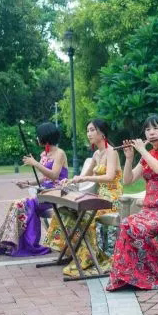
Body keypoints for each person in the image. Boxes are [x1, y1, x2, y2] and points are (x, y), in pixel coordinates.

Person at [106, 114, 158, 291]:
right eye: (148, 129)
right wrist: (129, 158)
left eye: (156, 128)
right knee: (126, 224)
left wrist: (142, 150)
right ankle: (130, 276)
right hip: (149, 210)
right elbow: (128, 180)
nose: (151, 133)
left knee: (138, 229)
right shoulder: (147, 155)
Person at [43, 119, 122, 277]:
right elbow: (83, 176)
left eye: (92, 130)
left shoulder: (111, 151)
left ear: (102, 133)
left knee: (85, 216)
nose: (89, 134)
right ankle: (75, 251)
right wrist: (70, 181)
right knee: (66, 211)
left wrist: (85, 178)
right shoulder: (96, 154)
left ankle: (89, 258)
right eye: (87, 130)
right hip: (100, 196)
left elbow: (109, 177)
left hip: (112, 199)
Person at [0, 122, 68, 256]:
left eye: (38, 136)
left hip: (56, 195)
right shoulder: (44, 154)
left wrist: (35, 163)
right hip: (44, 194)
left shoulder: (60, 153)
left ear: (45, 137)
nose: (37, 138)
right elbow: (44, 178)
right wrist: (27, 183)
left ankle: (27, 245)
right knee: (17, 204)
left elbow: (54, 176)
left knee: (22, 204)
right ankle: (10, 243)